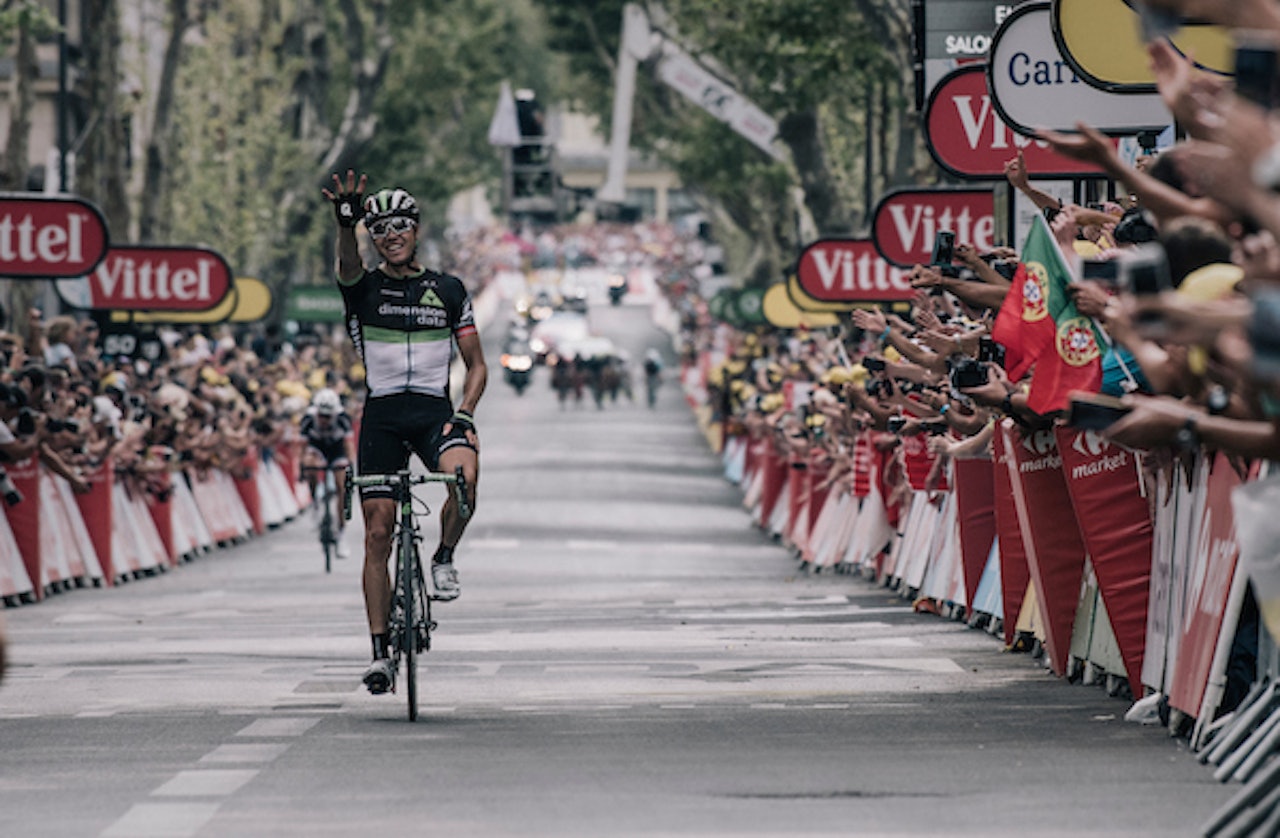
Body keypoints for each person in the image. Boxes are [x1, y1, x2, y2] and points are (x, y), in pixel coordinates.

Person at [323, 170, 487, 695]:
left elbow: (477, 364)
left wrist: (465, 410)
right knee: (377, 533)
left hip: (435, 411)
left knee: (465, 479)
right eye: (380, 228)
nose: (390, 234)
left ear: (415, 229)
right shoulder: (364, 289)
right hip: (384, 417)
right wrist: (347, 225)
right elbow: (347, 264)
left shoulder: (448, 288)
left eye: (400, 225)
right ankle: (380, 655)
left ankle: (442, 557)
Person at [299, 387, 355, 558]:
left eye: (327, 416)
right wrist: (303, 468)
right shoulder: (308, 419)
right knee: (310, 463)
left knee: (341, 486)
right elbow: (302, 448)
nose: (324, 419)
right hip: (318, 448)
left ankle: (341, 533)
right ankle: (315, 499)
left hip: (337, 450)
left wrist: (351, 467)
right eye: (321, 415)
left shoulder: (343, 419)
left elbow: (349, 446)